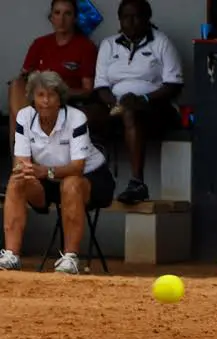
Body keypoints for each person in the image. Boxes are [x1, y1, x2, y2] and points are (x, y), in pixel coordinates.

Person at [0, 71, 116, 274]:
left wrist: (46, 172)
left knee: (71, 183)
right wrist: (24, 170)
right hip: (47, 179)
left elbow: (77, 167)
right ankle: (11, 255)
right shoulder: (25, 117)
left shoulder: (75, 117)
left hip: (90, 179)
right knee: (16, 180)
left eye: (51, 95)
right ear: (33, 98)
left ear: (59, 98)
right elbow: (21, 160)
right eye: (41, 95)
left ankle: (70, 258)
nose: (45, 101)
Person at [86, 0, 183, 204]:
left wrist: (143, 98)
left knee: (131, 112)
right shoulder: (109, 44)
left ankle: (137, 183)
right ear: (119, 20)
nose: (131, 21)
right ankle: (89, 179)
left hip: (154, 107)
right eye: (126, 17)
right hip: (116, 104)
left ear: (147, 19)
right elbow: (101, 85)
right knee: (84, 116)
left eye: (136, 16)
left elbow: (174, 84)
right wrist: (114, 104)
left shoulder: (160, 42)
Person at [8, 0, 98, 157]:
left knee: (28, 104)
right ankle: (22, 150)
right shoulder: (40, 43)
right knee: (16, 85)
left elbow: (87, 90)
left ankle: (22, 152)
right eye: (57, 13)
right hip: (36, 99)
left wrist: (60, 91)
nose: (61, 19)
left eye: (67, 14)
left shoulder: (85, 46)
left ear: (75, 18)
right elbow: (24, 76)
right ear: (51, 17)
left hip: (63, 100)